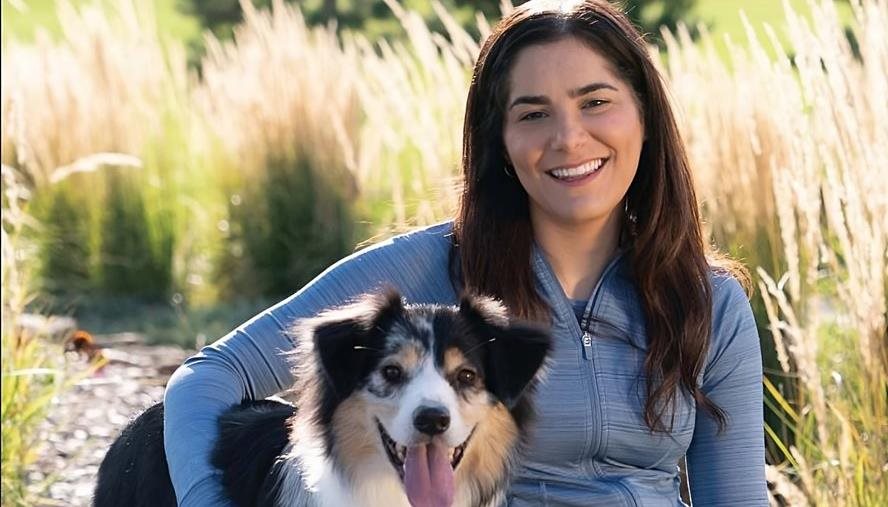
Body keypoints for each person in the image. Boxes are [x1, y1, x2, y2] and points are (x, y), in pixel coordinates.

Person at [163, 0, 768, 505]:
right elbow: (207, 378)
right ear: (501, 142)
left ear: (646, 117)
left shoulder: (708, 301)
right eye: (533, 113)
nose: (568, 138)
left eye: (596, 102)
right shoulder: (429, 272)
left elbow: (736, 499)